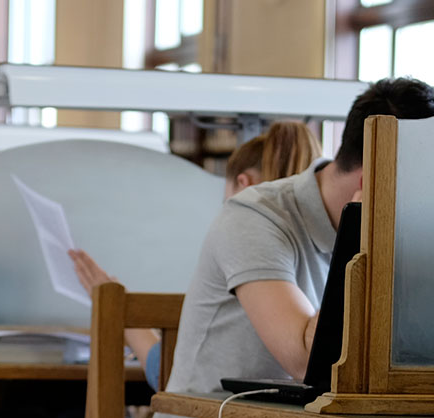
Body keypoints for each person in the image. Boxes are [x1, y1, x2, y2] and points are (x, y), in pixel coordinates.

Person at [147, 79, 434, 418]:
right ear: (380, 169)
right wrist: (364, 228)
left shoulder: (417, 225)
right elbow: (304, 357)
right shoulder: (256, 215)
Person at [67, 121, 322, 391]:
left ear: (243, 183)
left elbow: (173, 377)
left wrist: (117, 310)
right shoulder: (318, 246)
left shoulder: (244, 236)